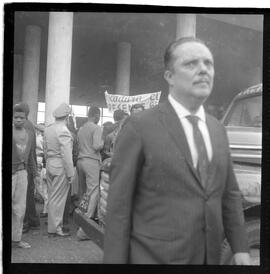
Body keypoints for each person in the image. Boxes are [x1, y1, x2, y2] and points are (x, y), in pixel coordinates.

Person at [103, 37, 251, 264]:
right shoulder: (139, 126)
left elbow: (230, 195)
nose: (203, 70)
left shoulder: (217, 130)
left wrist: (240, 249)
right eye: (191, 64)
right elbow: (118, 209)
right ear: (169, 76)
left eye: (208, 64)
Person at [44, 103, 74, 237]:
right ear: (67, 116)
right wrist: (70, 173)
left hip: (50, 163)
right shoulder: (64, 130)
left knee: (52, 197)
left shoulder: (48, 129)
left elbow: (45, 148)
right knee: (58, 198)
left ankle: (52, 227)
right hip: (60, 165)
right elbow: (67, 154)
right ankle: (56, 228)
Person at [12, 103, 38, 248]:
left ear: (25, 117)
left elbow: (31, 155)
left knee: (20, 208)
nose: (19, 120)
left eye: (21, 117)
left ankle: (16, 239)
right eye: (16, 117)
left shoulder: (29, 134)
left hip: (23, 173)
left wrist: (35, 173)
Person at [76, 106, 104, 240]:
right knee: (94, 192)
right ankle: (84, 229)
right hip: (91, 161)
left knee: (85, 193)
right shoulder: (96, 128)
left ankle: (80, 220)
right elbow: (97, 146)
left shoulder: (81, 128)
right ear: (97, 115)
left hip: (80, 161)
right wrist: (103, 142)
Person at [18, 103, 40, 233]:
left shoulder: (24, 126)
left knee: (24, 195)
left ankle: (25, 222)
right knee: (29, 194)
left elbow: (27, 150)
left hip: (25, 165)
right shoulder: (30, 124)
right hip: (30, 165)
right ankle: (32, 220)